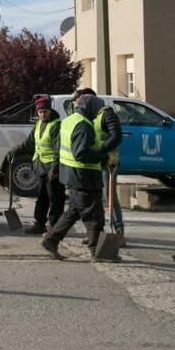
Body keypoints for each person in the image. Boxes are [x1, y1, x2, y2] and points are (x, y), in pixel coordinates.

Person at [41, 93, 108, 261]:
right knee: (94, 215)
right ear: (90, 108)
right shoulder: (84, 126)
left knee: (73, 211)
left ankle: (51, 240)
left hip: (71, 175)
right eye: (97, 109)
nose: (98, 113)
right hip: (84, 176)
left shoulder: (69, 121)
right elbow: (81, 154)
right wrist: (103, 157)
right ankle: (97, 252)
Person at [74, 88, 125, 246]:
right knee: (96, 200)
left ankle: (119, 233)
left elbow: (116, 136)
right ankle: (97, 233)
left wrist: (102, 150)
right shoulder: (90, 116)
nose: (79, 106)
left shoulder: (107, 113)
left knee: (109, 196)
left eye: (80, 102)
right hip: (94, 163)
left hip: (108, 162)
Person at [21, 97, 64, 235]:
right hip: (41, 166)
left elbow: (59, 148)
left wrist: (55, 168)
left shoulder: (56, 125)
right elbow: (29, 142)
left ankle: (55, 226)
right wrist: (14, 151)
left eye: (45, 111)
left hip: (52, 167)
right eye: (40, 112)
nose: (43, 114)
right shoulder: (39, 124)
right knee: (42, 196)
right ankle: (39, 224)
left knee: (55, 198)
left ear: (50, 110)